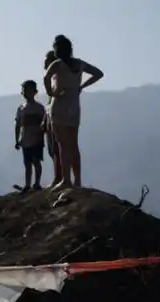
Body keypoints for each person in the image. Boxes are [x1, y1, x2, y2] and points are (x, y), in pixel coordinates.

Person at [44, 34, 104, 190]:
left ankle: (66, 180)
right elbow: (98, 73)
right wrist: (82, 86)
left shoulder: (57, 65)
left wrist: (52, 93)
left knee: (63, 144)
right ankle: (77, 180)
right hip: (74, 105)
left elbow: (46, 77)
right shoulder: (80, 64)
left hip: (60, 105)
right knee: (74, 144)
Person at [14, 80, 47, 192]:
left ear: (34, 92)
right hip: (25, 140)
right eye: (23, 91)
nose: (25, 93)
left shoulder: (39, 108)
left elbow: (45, 124)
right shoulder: (21, 108)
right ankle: (27, 184)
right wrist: (17, 140)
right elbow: (18, 125)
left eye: (27, 90)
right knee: (27, 163)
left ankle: (36, 183)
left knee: (36, 162)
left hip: (37, 139)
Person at [42, 50, 61, 188]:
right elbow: (49, 102)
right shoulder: (54, 78)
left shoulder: (57, 79)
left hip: (56, 116)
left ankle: (58, 178)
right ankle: (58, 176)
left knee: (56, 149)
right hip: (50, 115)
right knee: (53, 149)